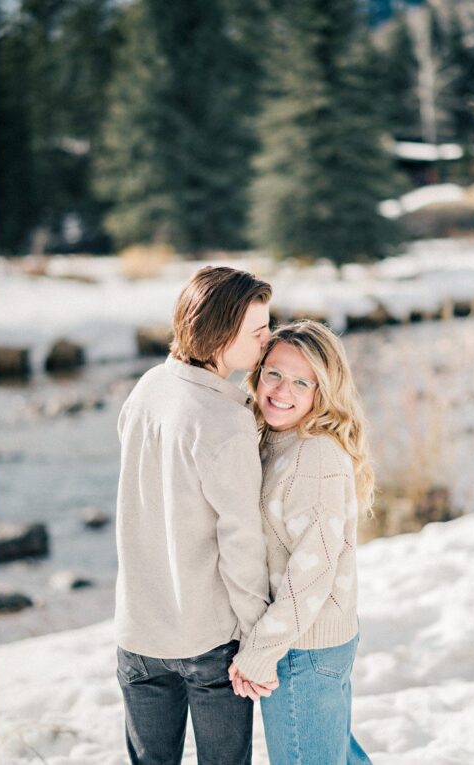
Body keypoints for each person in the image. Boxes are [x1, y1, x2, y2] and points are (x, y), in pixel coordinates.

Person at [115, 266, 277, 765]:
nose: (269, 340)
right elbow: (241, 542)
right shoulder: (226, 422)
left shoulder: (146, 388)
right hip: (207, 641)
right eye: (258, 331)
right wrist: (258, 639)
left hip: (137, 633)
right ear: (222, 336)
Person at [229, 321, 374, 764]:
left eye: (300, 381)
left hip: (302, 652)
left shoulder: (313, 456)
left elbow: (312, 572)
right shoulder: (276, 440)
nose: (281, 389)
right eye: (273, 373)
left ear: (322, 391)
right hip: (311, 643)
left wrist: (260, 651)